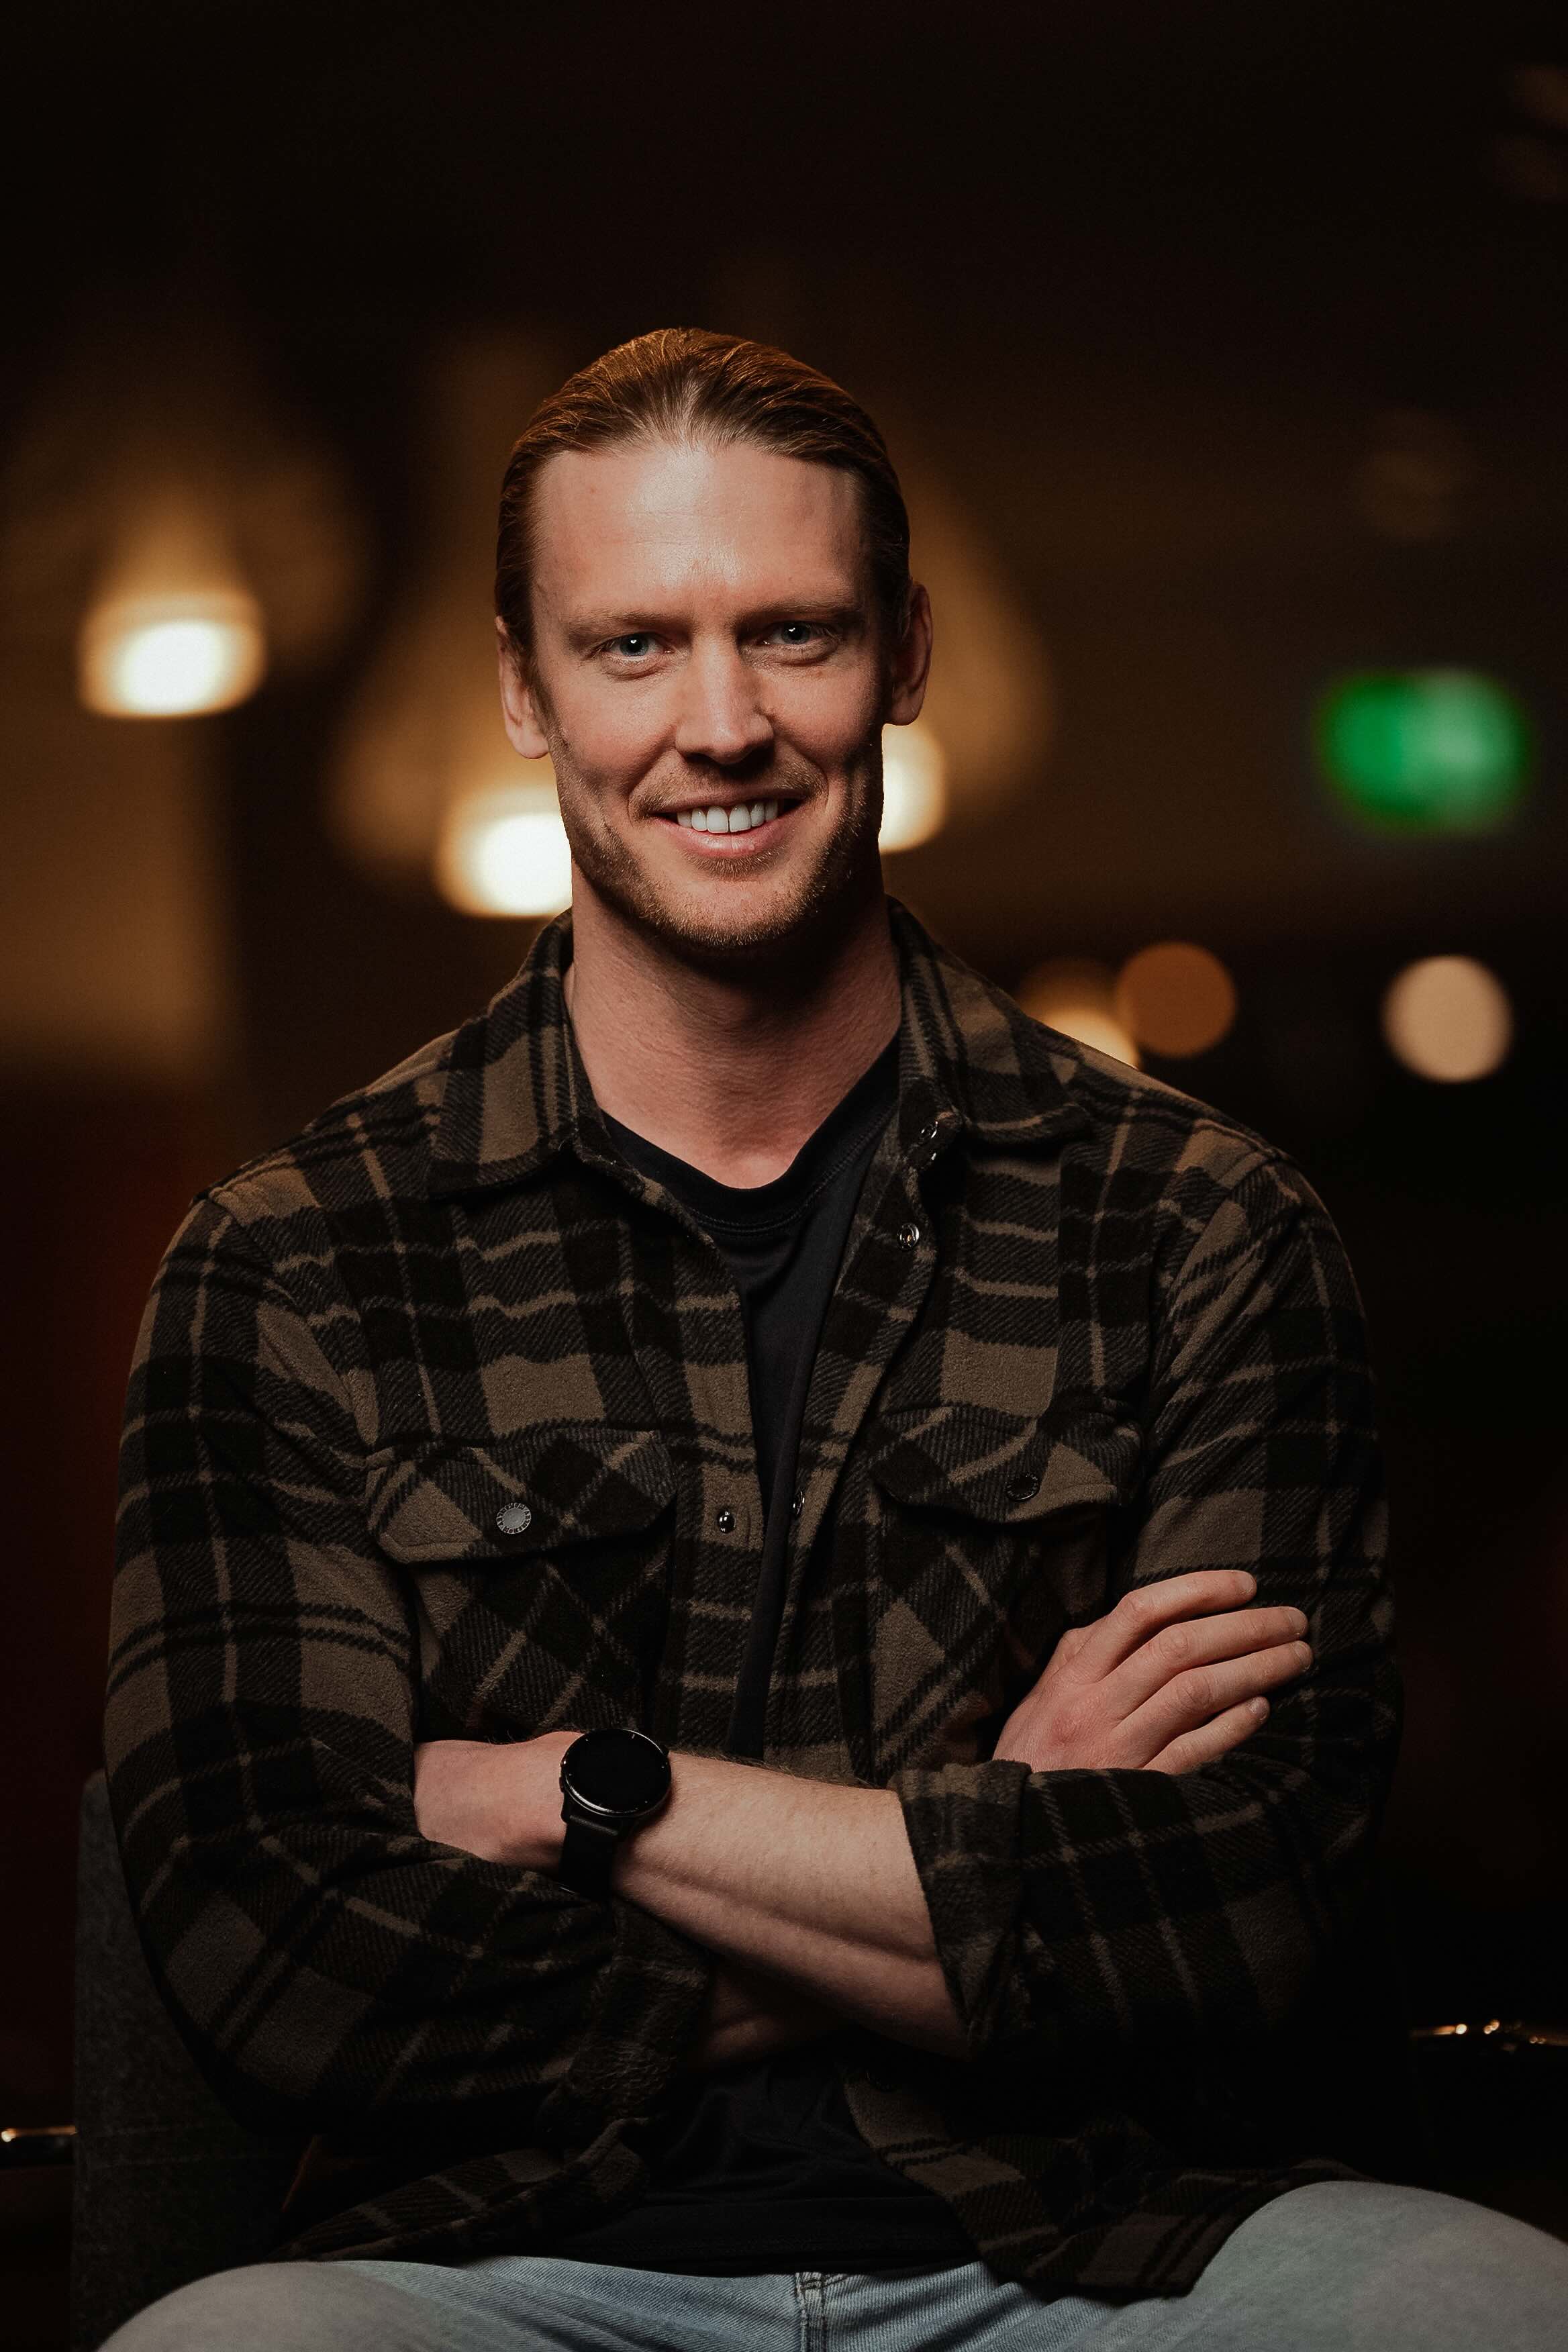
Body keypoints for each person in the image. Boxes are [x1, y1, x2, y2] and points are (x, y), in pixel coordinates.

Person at [103, 330, 1568, 2350]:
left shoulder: (1201, 1223)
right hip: (494, 2270)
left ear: (905, 654)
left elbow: (1238, 1901)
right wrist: (994, 1851)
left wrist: (583, 1793)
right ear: (523, 687)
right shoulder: (291, 1264)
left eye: (792, 633)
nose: (722, 726)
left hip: (1103, 2250)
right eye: (634, 647)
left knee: (1509, 2310)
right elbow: (278, 1953)